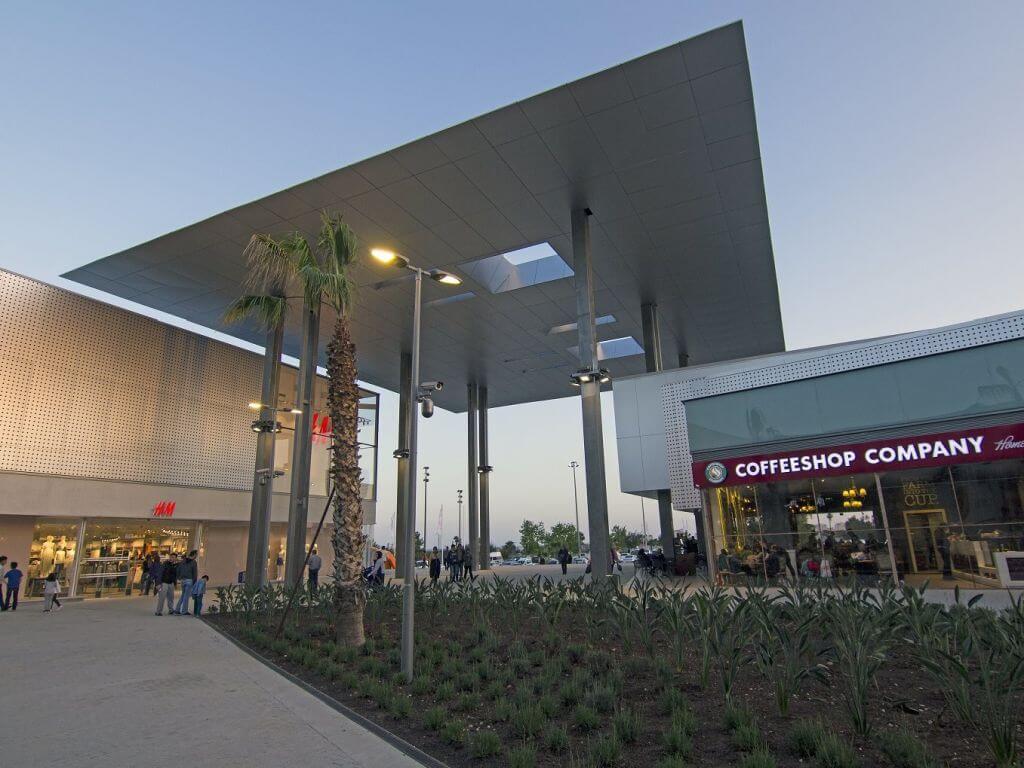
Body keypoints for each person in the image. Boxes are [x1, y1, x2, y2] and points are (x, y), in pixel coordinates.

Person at [174, 550, 198, 615]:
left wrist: (179, 577)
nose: (196, 556)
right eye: (196, 554)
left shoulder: (183, 561)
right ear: (194, 555)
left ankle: (177, 609)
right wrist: (194, 582)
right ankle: (184, 611)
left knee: (183, 595)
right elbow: (195, 573)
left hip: (183, 580)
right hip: (189, 580)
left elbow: (178, 570)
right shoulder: (194, 562)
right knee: (186, 596)